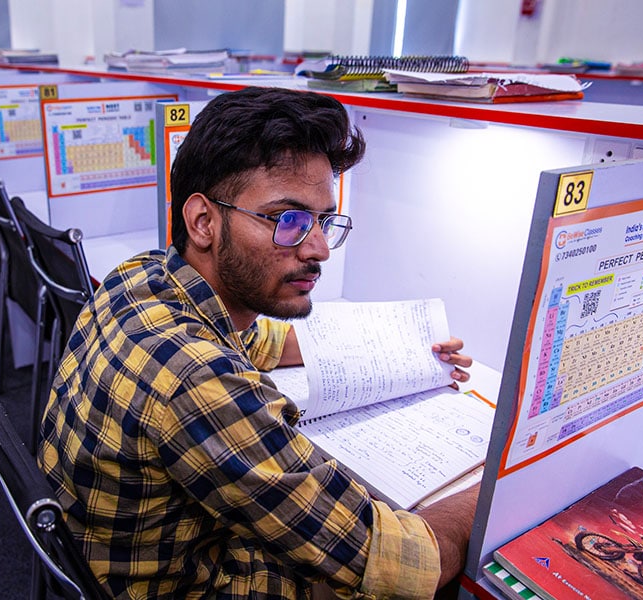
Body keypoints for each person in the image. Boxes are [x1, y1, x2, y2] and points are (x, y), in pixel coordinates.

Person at [39, 86, 478, 599]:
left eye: (322, 221)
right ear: (204, 220)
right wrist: (495, 487)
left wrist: (403, 350)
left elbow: (260, 339)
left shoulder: (141, 276)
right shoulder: (199, 382)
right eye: (287, 220)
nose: (318, 249)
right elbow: (406, 561)